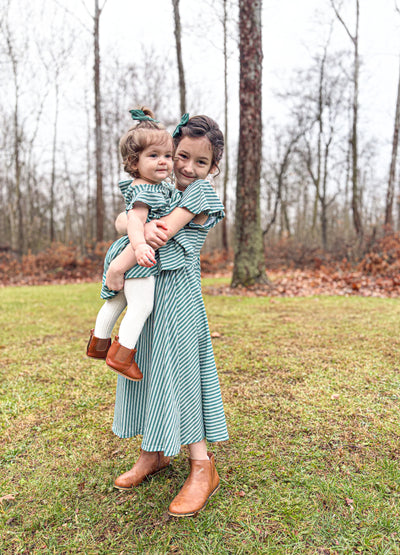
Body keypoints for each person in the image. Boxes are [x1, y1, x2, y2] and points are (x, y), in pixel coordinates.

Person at [104, 113, 229, 517]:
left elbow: (158, 231)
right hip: (151, 289)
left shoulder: (201, 195)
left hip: (179, 295)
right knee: (148, 366)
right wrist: (130, 220)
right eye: (182, 156)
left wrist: (130, 231)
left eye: (201, 162)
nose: (188, 168)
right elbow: (127, 218)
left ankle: (201, 465)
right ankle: (154, 452)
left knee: (181, 372)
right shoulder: (162, 188)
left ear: (213, 168)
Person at [87, 106, 183, 382]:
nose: (163, 161)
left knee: (116, 300)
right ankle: (122, 355)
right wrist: (141, 246)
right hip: (138, 253)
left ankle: (99, 345)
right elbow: (135, 220)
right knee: (141, 306)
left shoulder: (156, 185)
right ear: (134, 161)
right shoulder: (144, 189)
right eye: (153, 156)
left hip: (126, 251)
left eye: (167, 155)